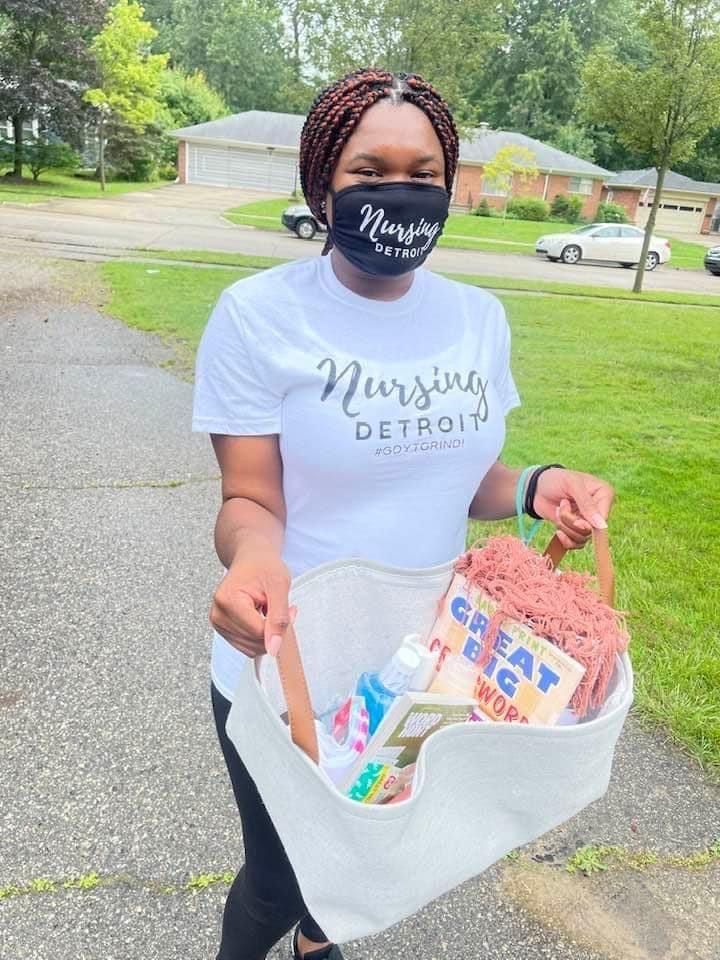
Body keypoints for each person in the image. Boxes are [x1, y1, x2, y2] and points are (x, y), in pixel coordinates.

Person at [192, 68, 614, 960]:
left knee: (363, 862)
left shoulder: (477, 318)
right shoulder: (257, 315)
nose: (400, 192)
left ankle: (322, 945)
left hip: (433, 661)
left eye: (424, 174)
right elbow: (249, 498)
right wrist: (249, 561)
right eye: (368, 169)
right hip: (291, 655)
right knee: (281, 877)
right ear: (322, 184)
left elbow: (464, 480)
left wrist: (538, 485)